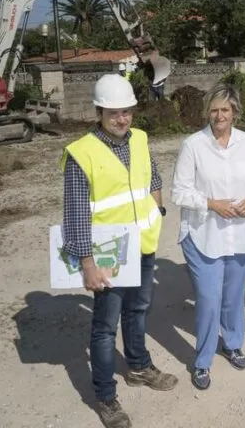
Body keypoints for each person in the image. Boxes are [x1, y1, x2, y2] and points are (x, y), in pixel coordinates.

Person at [61, 74, 177, 428]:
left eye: (126, 111)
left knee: (139, 309)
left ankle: (139, 366)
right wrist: (87, 263)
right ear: (99, 112)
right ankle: (106, 396)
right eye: (114, 113)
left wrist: (157, 212)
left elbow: (153, 178)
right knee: (105, 326)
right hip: (107, 253)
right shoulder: (82, 152)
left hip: (142, 244)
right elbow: (76, 212)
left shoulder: (139, 139)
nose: (122, 118)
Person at [170, 84, 245, 390]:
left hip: (240, 233)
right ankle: (202, 361)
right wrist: (212, 204)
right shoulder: (193, 145)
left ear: (235, 112)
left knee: (233, 296)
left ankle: (232, 343)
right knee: (208, 298)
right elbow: (179, 191)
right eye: (214, 110)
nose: (219, 116)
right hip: (204, 234)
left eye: (225, 110)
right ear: (207, 112)